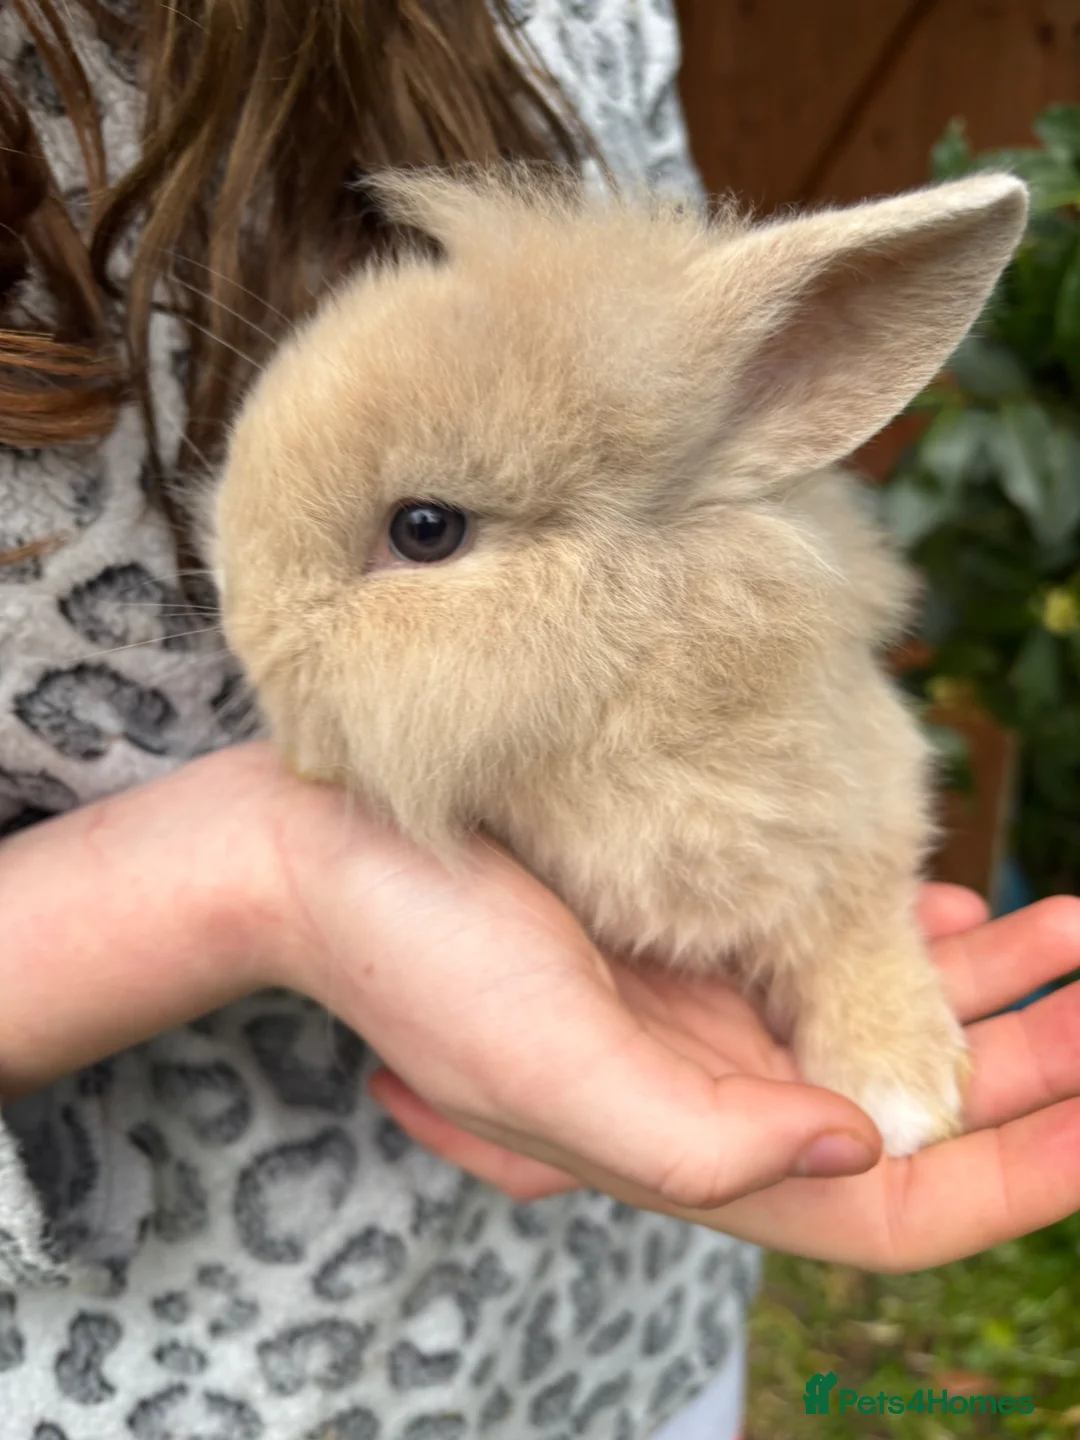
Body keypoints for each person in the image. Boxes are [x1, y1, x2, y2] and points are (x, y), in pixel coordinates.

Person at [1, 4, 1080, 1439]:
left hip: (627, 1319)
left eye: (427, 530)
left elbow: (850, 779)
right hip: (168, 1356)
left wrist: (844, 946)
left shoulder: (572, 17)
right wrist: (258, 875)